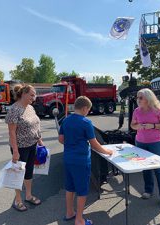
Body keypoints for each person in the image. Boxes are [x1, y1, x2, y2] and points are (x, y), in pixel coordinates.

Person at [58, 96, 113, 225]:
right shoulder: (86, 122)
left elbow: (61, 139)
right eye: (88, 109)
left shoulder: (66, 120)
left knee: (70, 187)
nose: (88, 112)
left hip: (68, 158)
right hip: (81, 160)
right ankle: (79, 220)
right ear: (84, 108)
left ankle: (69, 212)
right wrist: (107, 151)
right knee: (82, 190)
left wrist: (72, 143)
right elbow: (94, 144)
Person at [130, 88, 160, 210]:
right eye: (137, 97)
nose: (138, 100)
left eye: (140, 97)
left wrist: (152, 126)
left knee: (159, 170)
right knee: (145, 168)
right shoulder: (136, 111)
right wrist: (139, 127)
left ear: (148, 99)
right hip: (140, 143)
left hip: (155, 143)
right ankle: (148, 190)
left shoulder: (158, 110)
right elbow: (133, 125)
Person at [5, 84, 43, 212]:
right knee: (18, 174)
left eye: (35, 94)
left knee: (29, 172)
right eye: (32, 95)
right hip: (20, 148)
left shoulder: (30, 108)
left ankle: (28, 195)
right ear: (23, 94)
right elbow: (11, 133)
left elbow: (35, 125)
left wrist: (39, 140)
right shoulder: (14, 109)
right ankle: (18, 200)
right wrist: (15, 151)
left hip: (32, 145)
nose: (34, 97)